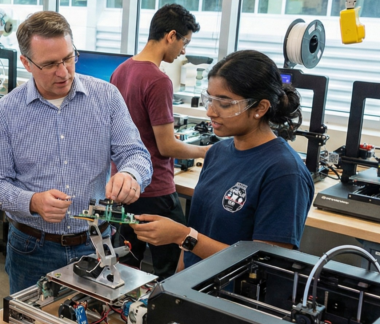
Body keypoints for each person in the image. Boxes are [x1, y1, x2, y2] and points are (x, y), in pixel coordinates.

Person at [0, 11, 153, 294]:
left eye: (68, 58)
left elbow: (136, 153)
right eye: (49, 64)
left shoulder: (106, 96)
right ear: (26, 63)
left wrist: (131, 175)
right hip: (32, 248)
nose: (63, 72)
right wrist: (32, 201)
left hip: (96, 242)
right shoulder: (6, 111)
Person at [131, 50, 315, 269]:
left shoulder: (284, 173)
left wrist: (183, 237)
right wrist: (176, 282)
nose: (210, 111)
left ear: (260, 108)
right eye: (209, 99)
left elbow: (265, 263)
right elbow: (196, 234)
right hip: (192, 288)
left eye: (224, 104)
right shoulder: (217, 152)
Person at [109, 4, 209, 279]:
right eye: (184, 42)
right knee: (177, 269)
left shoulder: (122, 70)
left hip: (126, 185)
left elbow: (134, 127)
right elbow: (166, 147)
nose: (184, 51)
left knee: (125, 266)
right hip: (156, 189)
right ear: (171, 35)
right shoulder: (158, 80)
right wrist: (205, 150)